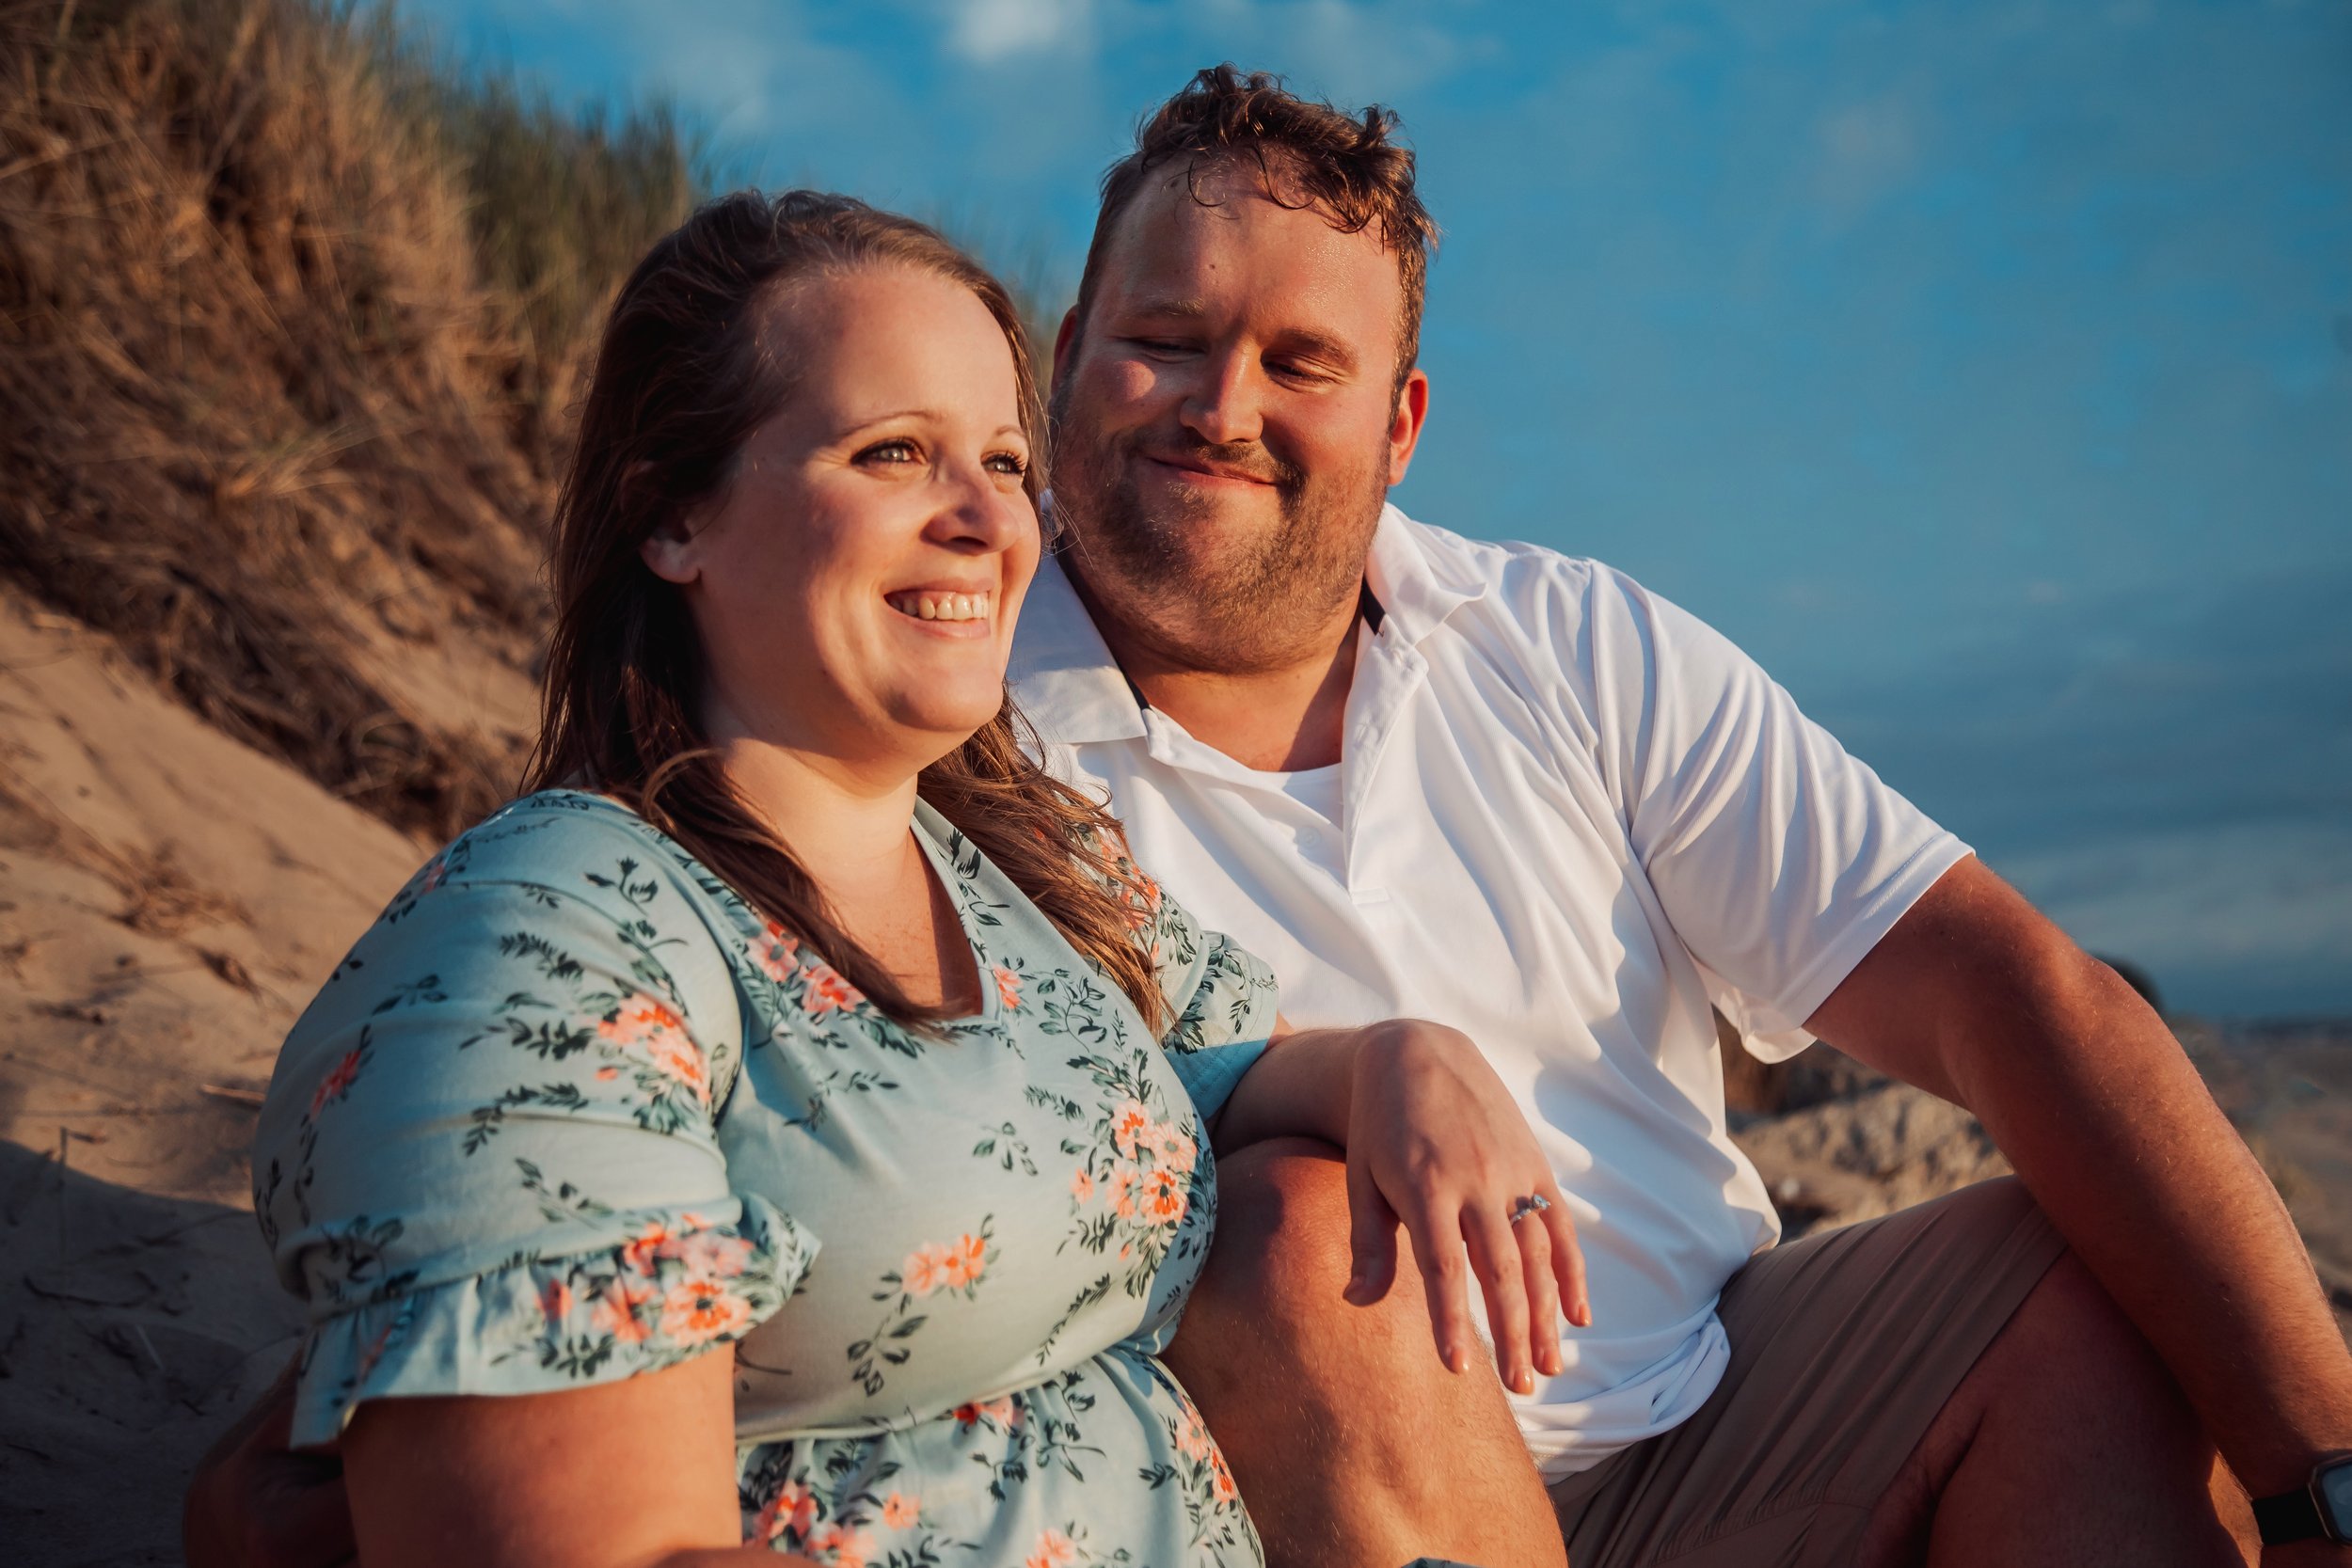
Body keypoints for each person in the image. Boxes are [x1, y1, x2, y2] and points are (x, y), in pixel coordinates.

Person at [193, 67, 2352, 1568]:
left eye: (1297, 365)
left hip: (1702, 1405)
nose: (1220, 408)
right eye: (1160, 341)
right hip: (1305, 1455)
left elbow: (2001, 993)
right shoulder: (935, 701)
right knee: (1317, 1241)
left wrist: (2319, 1465)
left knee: (2051, 1271)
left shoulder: (1543, 650)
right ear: (1071, 356)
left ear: (1398, 418)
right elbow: (594, 1094)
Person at [224, 189, 1580, 1568]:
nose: (985, 521)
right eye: (892, 454)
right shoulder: (548, 951)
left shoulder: (1015, 859)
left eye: (1002, 460)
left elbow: (1220, 1064)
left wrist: (1397, 1060)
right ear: (672, 514)